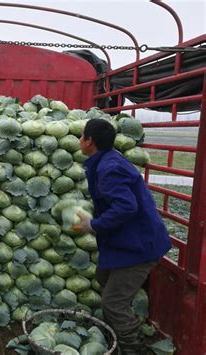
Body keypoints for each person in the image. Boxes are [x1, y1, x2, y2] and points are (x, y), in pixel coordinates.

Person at [72, 119, 171, 355]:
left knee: (113, 303)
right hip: (125, 241)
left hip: (139, 246)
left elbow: (126, 206)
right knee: (104, 278)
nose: (79, 140)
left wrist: (93, 224)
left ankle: (133, 349)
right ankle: (119, 332)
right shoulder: (106, 160)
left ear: (89, 142)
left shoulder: (109, 168)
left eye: (81, 136)